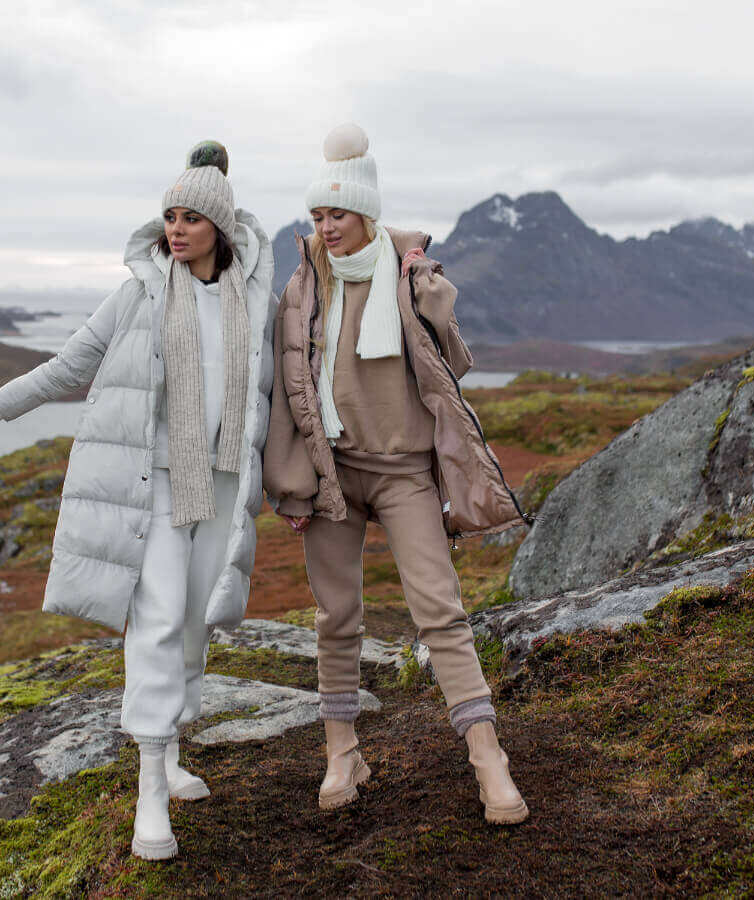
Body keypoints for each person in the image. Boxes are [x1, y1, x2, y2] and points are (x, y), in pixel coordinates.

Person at [0, 142, 276, 859]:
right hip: (150, 486)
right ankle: (150, 792)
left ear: (219, 226)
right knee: (154, 621)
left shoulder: (255, 303)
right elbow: (70, 364)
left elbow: (281, 394)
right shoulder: (141, 293)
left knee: (192, 624)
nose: (175, 229)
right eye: (168, 217)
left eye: (190, 218)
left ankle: (173, 749)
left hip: (219, 485)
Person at [263, 123, 531, 824]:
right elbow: (289, 390)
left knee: (440, 612)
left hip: (405, 471)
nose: (326, 228)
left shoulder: (408, 274)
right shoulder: (304, 284)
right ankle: (341, 751)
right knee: (337, 617)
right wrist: (291, 482)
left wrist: (430, 291)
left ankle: (487, 758)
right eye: (318, 217)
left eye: (338, 216)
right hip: (332, 475)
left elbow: (455, 363)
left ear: (366, 214)